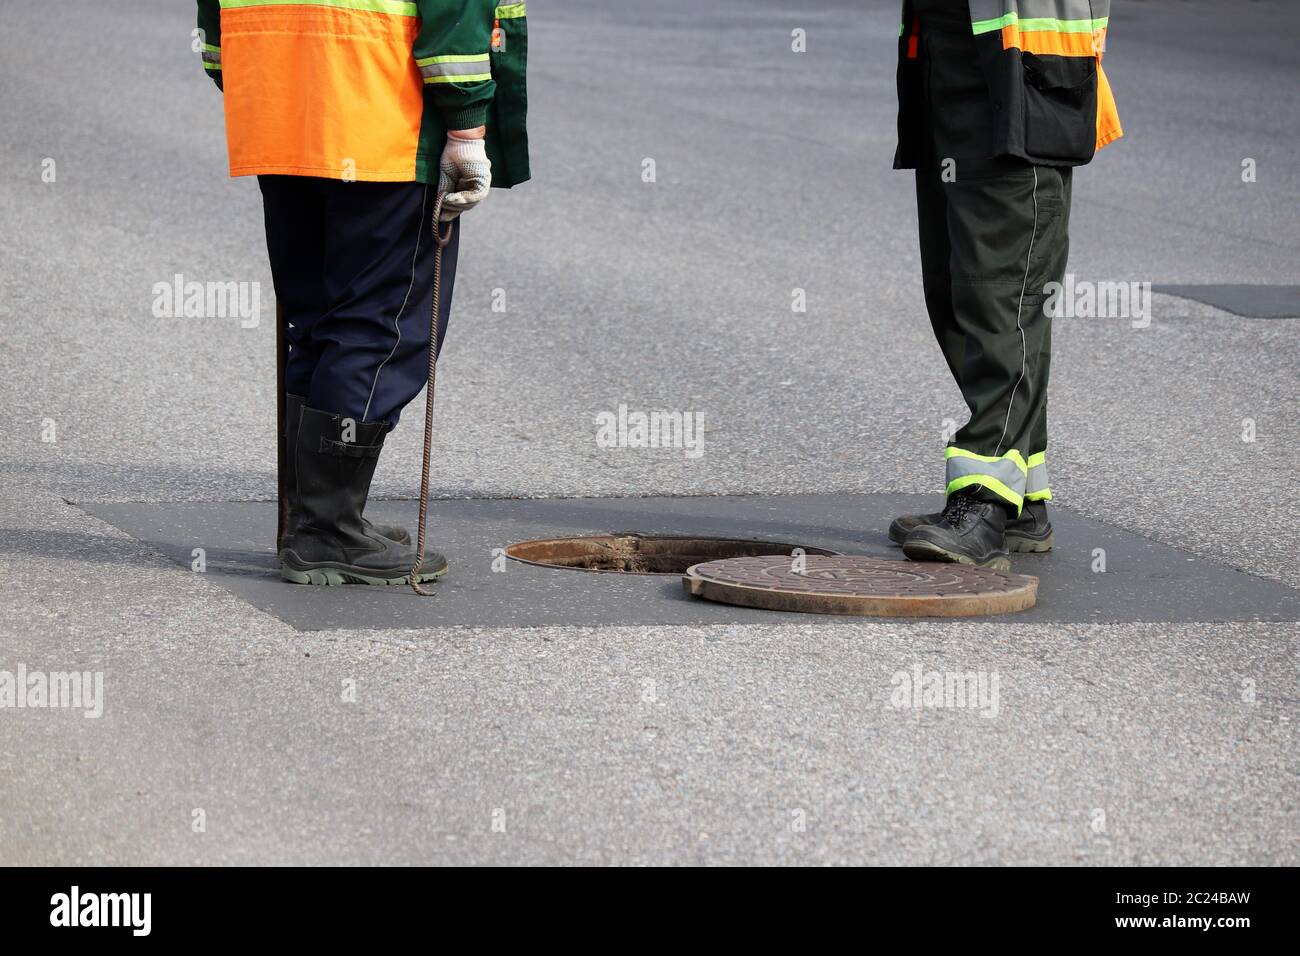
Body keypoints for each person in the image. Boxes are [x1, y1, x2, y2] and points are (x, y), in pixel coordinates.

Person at [195, 0, 529, 585]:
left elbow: (216, 26)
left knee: (316, 316)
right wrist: (466, 124)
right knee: (379, 322)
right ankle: (326, 531)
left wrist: (252, 74)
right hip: (381, 110)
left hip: (281, 99)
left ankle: (313, 519)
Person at [888, 0, 1121, 569]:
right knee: (955, 291)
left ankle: (986, 498)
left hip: (1021, 61)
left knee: (1001, 298)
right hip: (946, 42)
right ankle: (1022, 503)